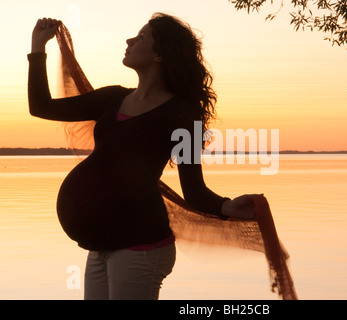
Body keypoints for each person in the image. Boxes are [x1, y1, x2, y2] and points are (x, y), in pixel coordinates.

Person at [28, 13, 258, 300]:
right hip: (100, 246)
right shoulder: (112, 99)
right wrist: (38, 47)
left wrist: (227, 207)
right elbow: (41, 107)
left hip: (140, 247)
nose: (129, 40)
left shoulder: (183, 116)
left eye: (141, 37)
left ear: (160, 54)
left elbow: (194, 191)